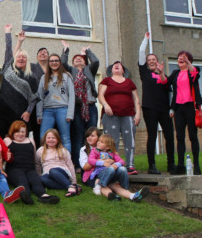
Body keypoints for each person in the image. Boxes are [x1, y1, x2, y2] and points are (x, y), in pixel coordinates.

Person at [0, 26, 39, 145]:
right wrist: (8, 33)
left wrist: (28, 112)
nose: (21, 58)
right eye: (19, 56)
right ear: (15, 59)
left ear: (27, 60)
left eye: (24, 57)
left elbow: (34, 98)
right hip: (1, 110)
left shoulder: (32, 78)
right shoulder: (9, 69)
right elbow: (8, 51)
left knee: (17, 141)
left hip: (19, 113)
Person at [60, 40, 100, 172]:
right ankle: (77, 164)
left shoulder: (89, 70)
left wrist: (88, 51)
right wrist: (66, 50)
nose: (78, 60)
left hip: (90, 106)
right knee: (77, 136)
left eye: (81, 59)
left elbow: (96, 62)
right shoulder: (70, 71)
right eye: (75, 59)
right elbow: (63, 63)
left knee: (92, 135)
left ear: (84, 61)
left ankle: (93, 162)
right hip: (77, 107)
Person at [138, 32, 175, 174]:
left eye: (154, 59)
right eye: (149, 60)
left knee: (169, 136)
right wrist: (146, 39)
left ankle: (171, 164)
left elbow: (169, 90)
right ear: (146, 63)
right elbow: (141, 52)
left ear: (158, 61)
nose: (151, 61)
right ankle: (151, 165)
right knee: (152, 135)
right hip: (150, 109)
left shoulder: (163, 75)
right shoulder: (144, 73)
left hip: (164, 109)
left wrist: (161, 73)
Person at [98, 61, 141, 175]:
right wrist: (106, 105)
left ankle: (130, 165)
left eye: (119, 65)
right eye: (114, 66)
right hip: (110, 115)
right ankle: (112, 163)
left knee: (129, 140)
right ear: (111, 70)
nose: (116, 66)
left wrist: (138, 114)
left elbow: (136, 99)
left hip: (128, 114)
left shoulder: (129, 82)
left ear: (123, 70)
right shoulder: (106, 81)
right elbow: (100, 95)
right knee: (112, 141)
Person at [82, 131, 149, 202]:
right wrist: (102, 162)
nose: (98, 142)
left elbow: (122, 161)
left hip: (110, 174)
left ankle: (127, 191)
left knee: (122, 169)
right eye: (99, 141)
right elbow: (90, 161)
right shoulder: (94, 151)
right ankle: (100, 186)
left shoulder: (112, 153)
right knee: (110, 172)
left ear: (107, 147)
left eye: (101, 142)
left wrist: (115, 165)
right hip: (100, 174)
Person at [3, 121, 60, 204]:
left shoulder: (30, 140)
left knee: (36, 181)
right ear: (13, 131)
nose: (20, 134)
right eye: (18, 131)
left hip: (29, 169)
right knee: (22, 181)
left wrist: (38, 173)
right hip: (14, 169)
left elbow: (34, 157)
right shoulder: (7, 140)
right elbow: (2, 155)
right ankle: (26, 196)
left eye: (23, 132)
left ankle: (44, 196)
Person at [167, 50, 202, 175]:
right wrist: (160, 73)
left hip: (190, 107)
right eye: (179, 57)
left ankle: (197, 165)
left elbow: (195, 74)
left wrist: (188, 64)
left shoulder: (193, 70)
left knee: (193, 136)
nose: (180, 59)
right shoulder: (175, 73)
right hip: (178, 108)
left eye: (184, 57)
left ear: (189, 60)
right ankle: (181, 165)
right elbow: (166, 82)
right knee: (180, 137)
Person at [36, 54, 74, 150]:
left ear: (60, 62)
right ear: (48, 63)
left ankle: (66, 163)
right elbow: (40, 97)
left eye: (56, 60)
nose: (54, 63)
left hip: (63, 110)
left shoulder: (67, 76)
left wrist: (70, 114)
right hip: (47, 111)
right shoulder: (43, 77)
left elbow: (72, 96)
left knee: (65, 138)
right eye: (51, 61)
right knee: (43, 138)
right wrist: (39, 114)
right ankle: (45, 162)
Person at [36, 129, 79, 198]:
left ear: (58, 139)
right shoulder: (40, 150)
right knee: (41, 179)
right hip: (48, 174)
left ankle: (70, 186)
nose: (51, 140)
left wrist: (74, 181)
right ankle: (68, 187)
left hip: (61, 172)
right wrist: (38, 176)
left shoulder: (63, 150)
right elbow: (37, 164)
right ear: (45, 139)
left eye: (53, 138)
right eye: (49, 138)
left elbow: (70, 165)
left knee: (53, 171)